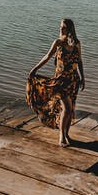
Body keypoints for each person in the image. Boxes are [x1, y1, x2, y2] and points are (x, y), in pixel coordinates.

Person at [26, 18, 85, 147]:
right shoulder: (58, 43)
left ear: (70, 29)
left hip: (73, 80)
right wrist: (34, 69)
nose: (60, 29)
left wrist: (83, 78)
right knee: (67, 108)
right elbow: (47, 57)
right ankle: (61, 137)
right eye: (60, 26)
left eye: (63, 27)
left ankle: (67, 134)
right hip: (60, 81)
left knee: (71, 109)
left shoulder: (76, 43)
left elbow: (79, 61)